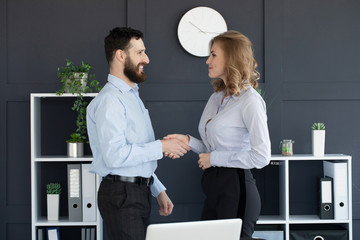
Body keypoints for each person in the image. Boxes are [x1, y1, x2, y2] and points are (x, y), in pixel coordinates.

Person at [165, 30, 271, 239]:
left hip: (237, 189)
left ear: (231, 58)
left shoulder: (250, 101)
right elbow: (212, 149)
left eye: (213, 55)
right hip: (214, 190)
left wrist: (214, 159)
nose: (207, 61)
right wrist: (187, 141)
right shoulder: (216, 97)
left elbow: (261, 156)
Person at [86, 27, 190, 240]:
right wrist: (161, 146)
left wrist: (157, 189)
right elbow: (115, 155)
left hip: (135, 193)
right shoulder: (110, 101)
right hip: (122, 195)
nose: (147, 59)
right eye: (140, 52)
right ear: (120, 55)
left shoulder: (131, 97)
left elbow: (135, 156)